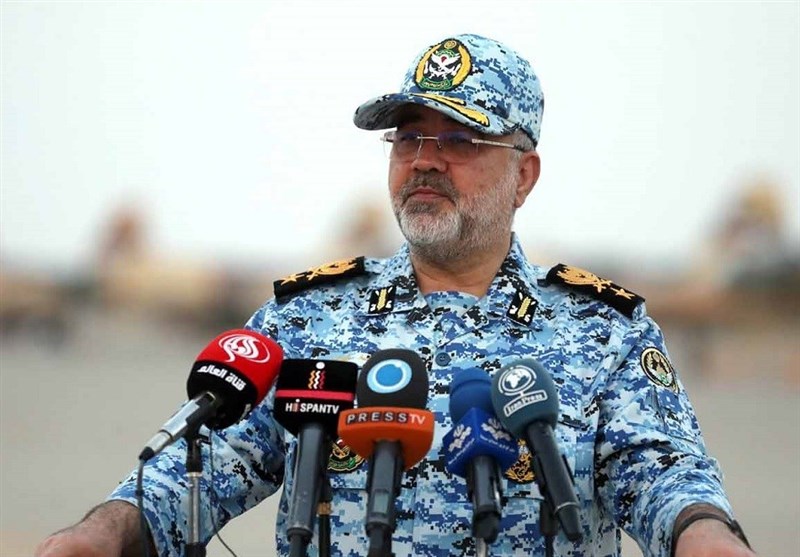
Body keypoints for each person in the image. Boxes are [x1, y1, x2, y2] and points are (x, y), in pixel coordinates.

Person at [35, 33, 756, 557]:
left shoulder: (604, 332)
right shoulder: (309, 320)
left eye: (460, 140)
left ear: (524, 175)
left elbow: (665, 478)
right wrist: (101, 532)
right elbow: (199, 470)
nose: (424, 161)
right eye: (408, 139)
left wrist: (705, 535)